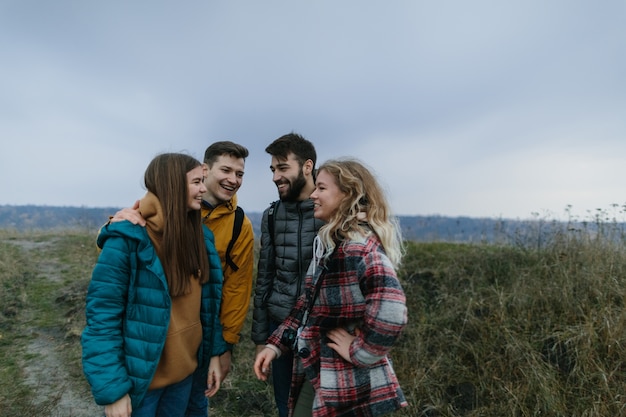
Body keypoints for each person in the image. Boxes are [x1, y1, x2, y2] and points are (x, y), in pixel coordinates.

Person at [108, 141, 255, 417]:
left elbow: (235, 289)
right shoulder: (142, 219)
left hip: (195, 353)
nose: (233, 179)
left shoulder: (236, 226)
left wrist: (222, 347)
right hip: (149, 358)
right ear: (205, 170)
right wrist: (112, 227)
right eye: (226, 170)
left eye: (240, 174)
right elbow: (114, 279)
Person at [254, 158, 409, 417]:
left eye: (322, 188)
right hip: (321, 371)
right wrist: (275, 345)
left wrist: (360, 350)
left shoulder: (356, 248)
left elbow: (392, 312)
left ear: (348, 194)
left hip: (347, 379)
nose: (313, 194)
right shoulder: (331, 243)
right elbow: (307, 306)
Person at [81, 153, 226, 417]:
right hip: (142, 385)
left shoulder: (201, 238)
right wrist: (112, 390)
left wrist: (214, 354)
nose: (204, 189)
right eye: (196, 182)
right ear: (172, 184)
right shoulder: (126, 241)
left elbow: (209, 306)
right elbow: (102, 319)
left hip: (186, 377)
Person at [251, 133, 325, 417]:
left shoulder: (330, 210)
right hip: (279, 326)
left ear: (307, 167)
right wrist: (262, 339)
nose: (275, 177)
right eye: (272, 170)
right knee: (286, 408)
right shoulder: (271, 215)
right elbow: (264, 277)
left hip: (320, 330)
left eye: (282, 168)